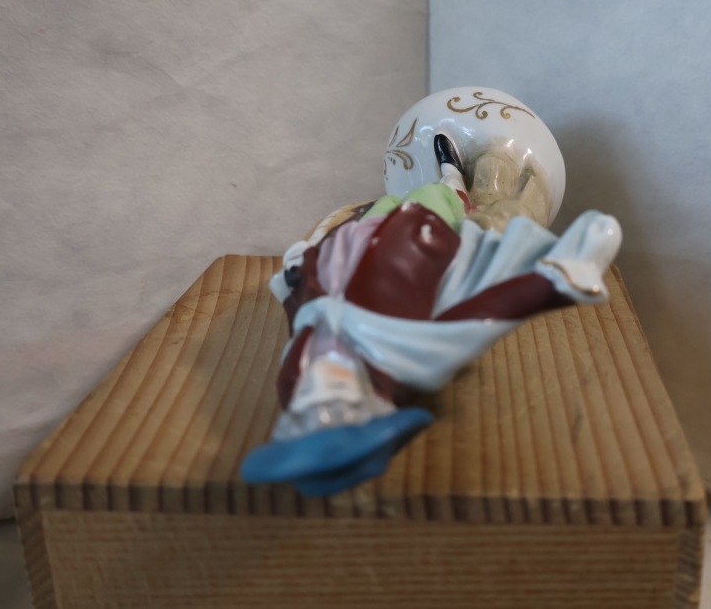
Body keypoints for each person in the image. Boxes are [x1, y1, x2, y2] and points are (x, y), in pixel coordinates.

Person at [242, 88, 622, 495]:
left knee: (388, 205)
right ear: (370, 406)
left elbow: (304, 319)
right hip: (416, 249)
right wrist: (556, 282)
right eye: (338, 406)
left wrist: (297, 279)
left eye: (308, 413)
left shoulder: (294, 379)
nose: (320, 393)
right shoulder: (407, 358)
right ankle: (452, 179)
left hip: (346, 253)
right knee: (433, 201)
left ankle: (446, 183)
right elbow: (481, 316)